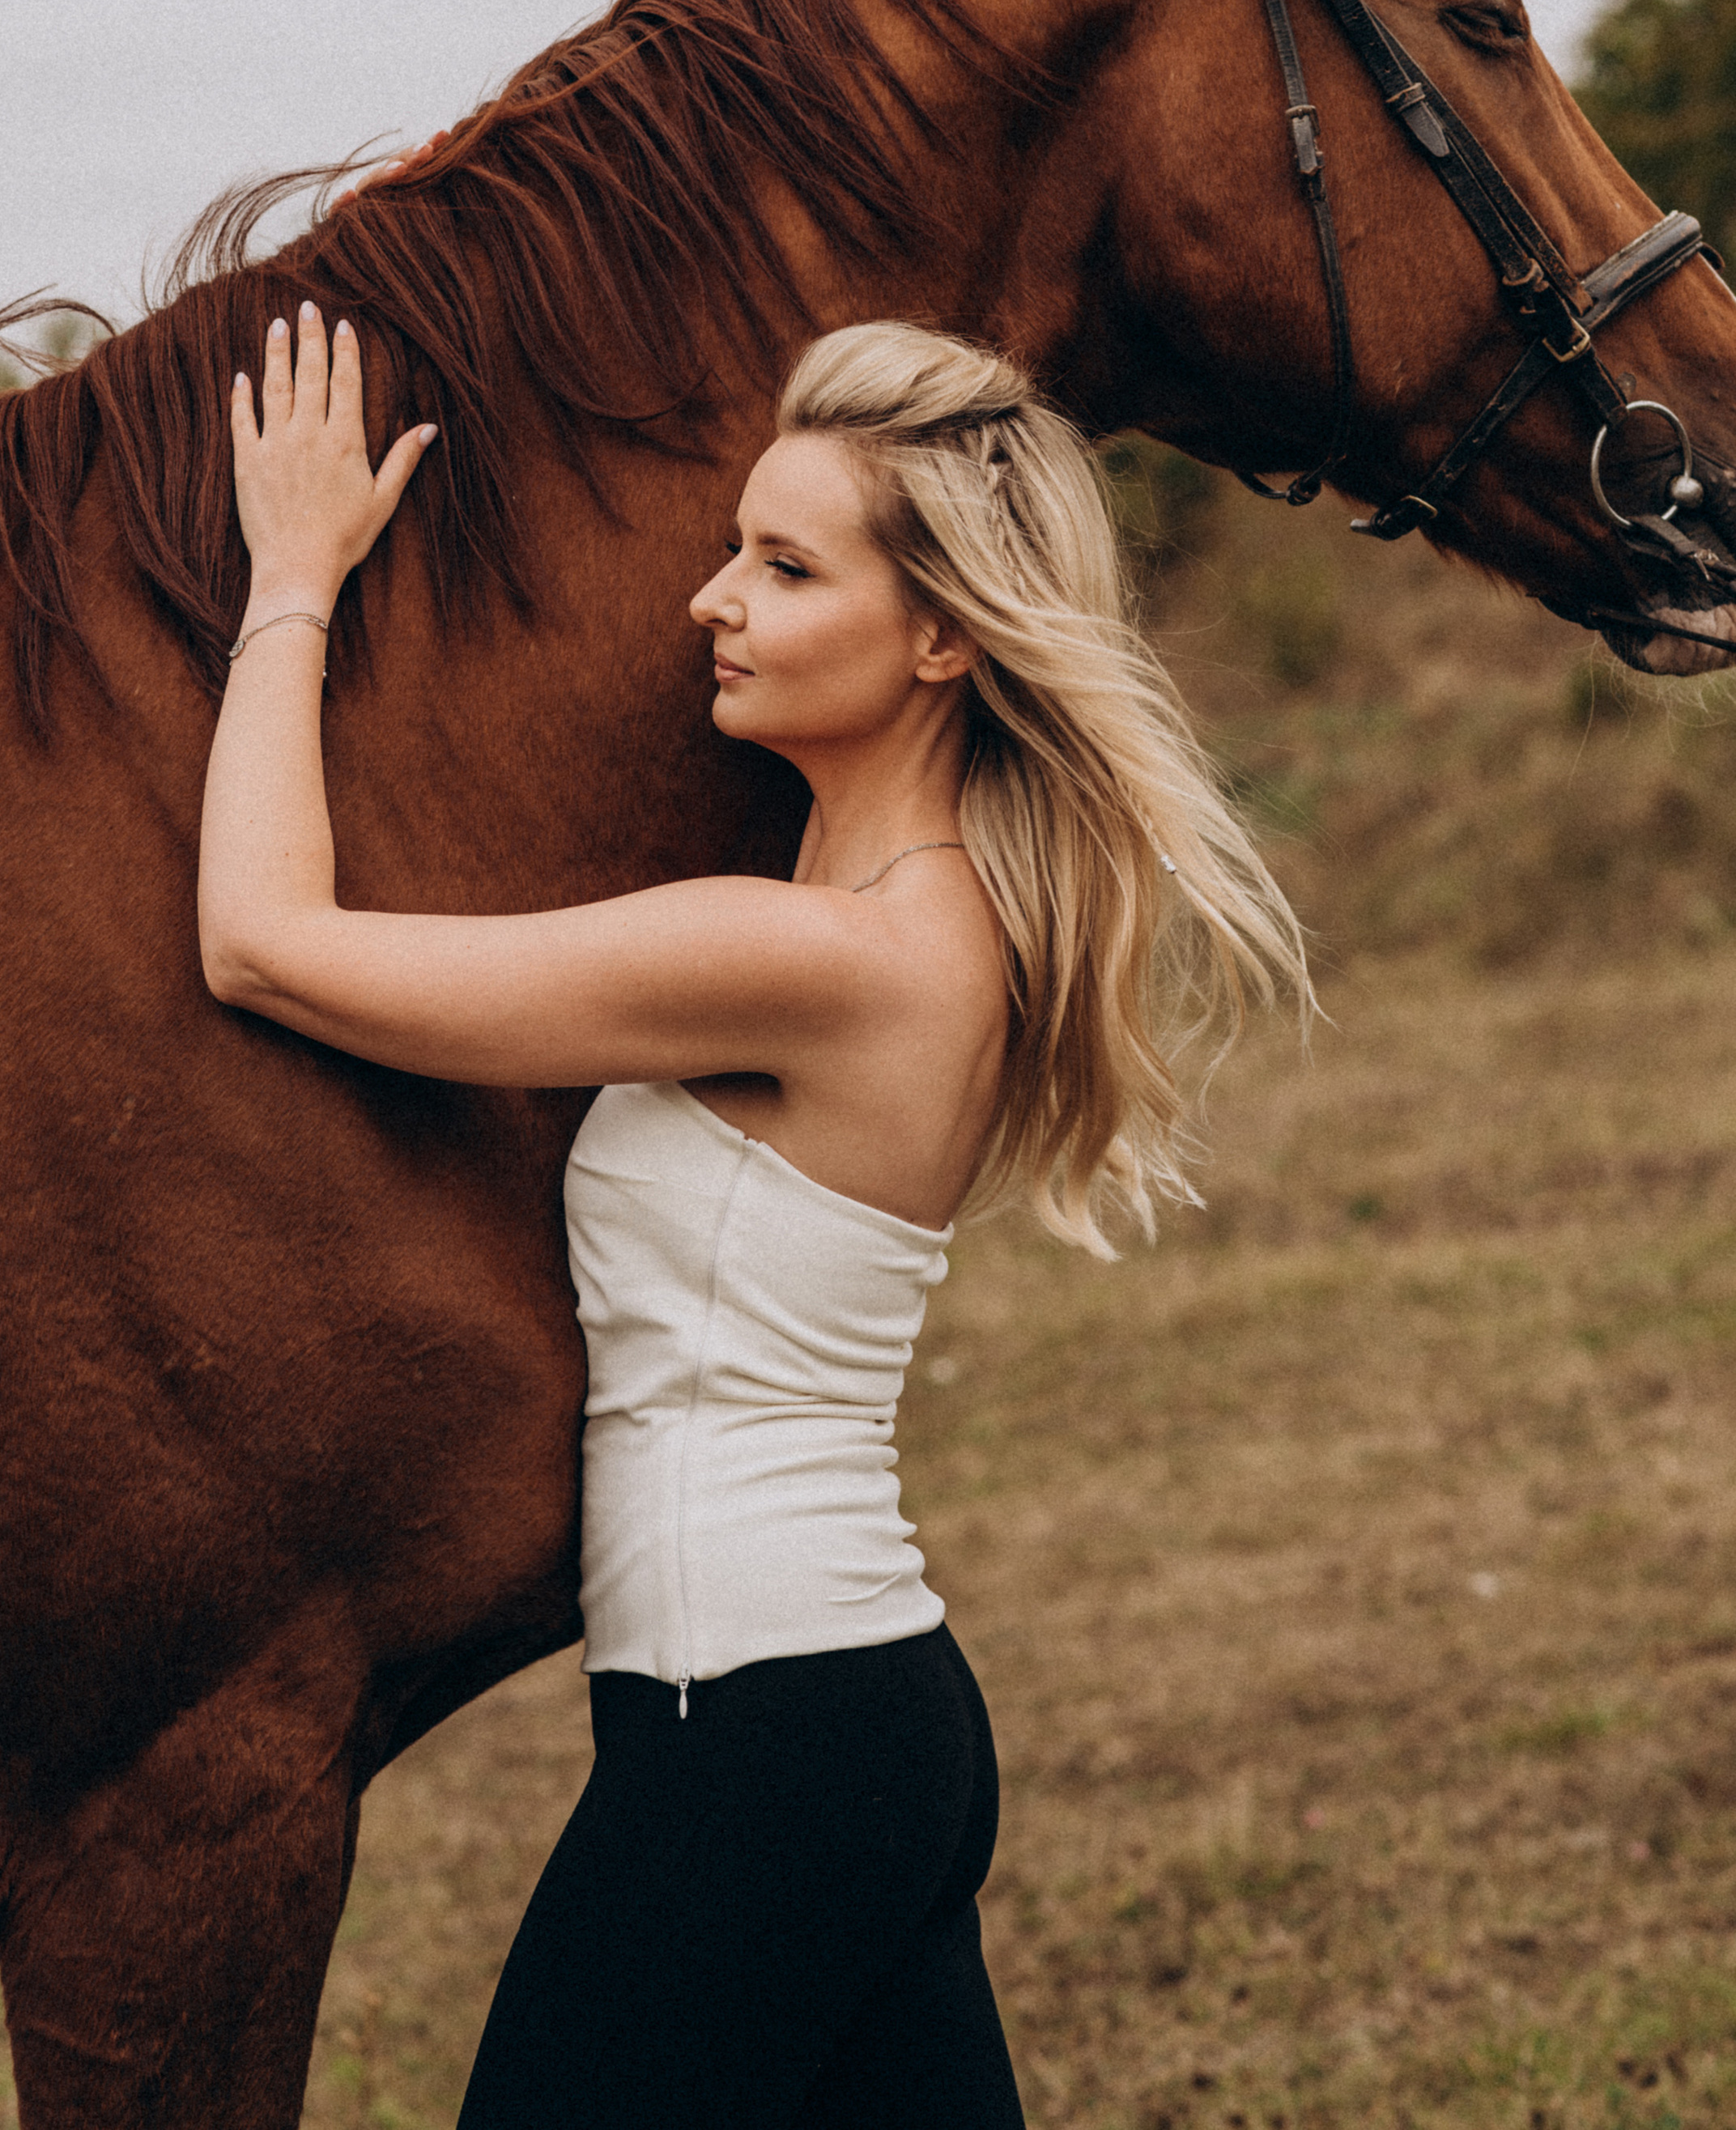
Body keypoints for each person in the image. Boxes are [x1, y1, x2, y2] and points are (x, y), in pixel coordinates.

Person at [198, 300, 1304, 2129]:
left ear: (941, 632)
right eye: (735, 548)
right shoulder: (917, 920)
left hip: (765, 1737)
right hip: (847, 1718)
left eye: (782, 567)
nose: (711, 598)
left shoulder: (815, 955)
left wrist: (291, 579)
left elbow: (262, 942)